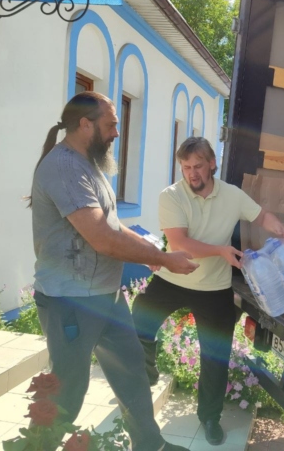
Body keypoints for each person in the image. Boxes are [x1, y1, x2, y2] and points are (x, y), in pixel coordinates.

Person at [29, 91, 198, 451]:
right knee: (67, 391)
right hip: (71, 301)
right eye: (111, 124)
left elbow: (112, 225)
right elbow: (102, 238)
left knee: (132, 372)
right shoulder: (64, 168)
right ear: (85, 124)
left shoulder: (89, 164)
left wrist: (153, 253)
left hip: (105, 296)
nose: (117, 133)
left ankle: (150, 445)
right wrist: (168, 260)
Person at [132, 137, 284, 446]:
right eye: (186, 167)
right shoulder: (171, 196)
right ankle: (147, 373)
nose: (192, 173)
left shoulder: (232, 195)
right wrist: (220, 250)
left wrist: (278, 227)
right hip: (173, 277)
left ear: (212, 164)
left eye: (198, 166)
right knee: (138, 321)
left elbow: (260, 215)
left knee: (215, 357)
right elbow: (180, 244)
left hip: (214, 288)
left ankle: (209, 417)